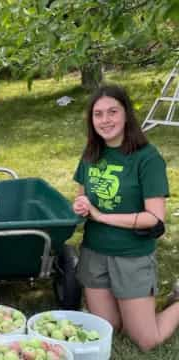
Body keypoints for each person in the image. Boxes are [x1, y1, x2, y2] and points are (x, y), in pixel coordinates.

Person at [72, 84, 179, 351]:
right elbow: (81, 198)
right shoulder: (90, 154)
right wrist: (81, 207)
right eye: (98, 114)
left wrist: (102, 217)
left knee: (145, 340)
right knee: (107, 329)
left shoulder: (147, 158)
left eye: (112, 112)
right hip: (94, 254)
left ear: (126, 114)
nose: (105, 120)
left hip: (131, 255)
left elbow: (154, 219)